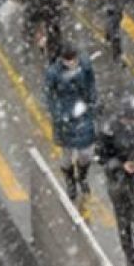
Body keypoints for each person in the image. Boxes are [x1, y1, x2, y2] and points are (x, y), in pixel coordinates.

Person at [97, 95, 134, 266]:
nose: (131, 122)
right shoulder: (109, 131)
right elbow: (102, 157)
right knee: (124, 221)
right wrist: (121, 165)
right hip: (118, 180)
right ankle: (130, 256)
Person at [44, 44, 98, 201]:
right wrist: (57, 115)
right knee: (66, 155)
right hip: (64, 117)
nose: (72, 63)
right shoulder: (53, 73)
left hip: (83, 113)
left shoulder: (85, 66)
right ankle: (70, 180)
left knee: (86, 153)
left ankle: (82, 176)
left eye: (74, 59)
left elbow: (91, 84)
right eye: (68, 60)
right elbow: (49, 96)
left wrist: (92, 101)